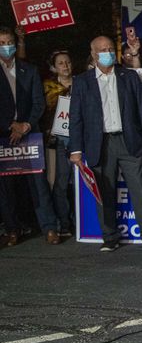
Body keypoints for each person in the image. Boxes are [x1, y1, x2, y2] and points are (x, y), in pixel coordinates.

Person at [68, 35, 142, 252]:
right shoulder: (82, 81)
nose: (107, 52)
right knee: (104, 192)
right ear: (93, 54)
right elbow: (76, 119)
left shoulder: (129, 76)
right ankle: (110, 237)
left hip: (129, 141)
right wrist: (76, 150)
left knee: (140, 189)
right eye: (102, 49)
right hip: (100, 144)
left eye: (110, 48)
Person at [0, 27, 62, 246]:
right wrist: (10, 125)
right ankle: (12, 229)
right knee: (6, 189)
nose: (6, 46)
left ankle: (50, 228)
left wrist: (25, 126)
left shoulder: (29, 70)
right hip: (4, 136)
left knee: (39, 183)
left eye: (9, 42)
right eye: (2, 42)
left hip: (29, 134)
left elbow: (39, 103)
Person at [43, 50, 75, 236]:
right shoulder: (47, 87)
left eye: (68, 62)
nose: (65, 66)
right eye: (61, 63)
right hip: (56, 141)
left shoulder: (81, 84)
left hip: (79, 140)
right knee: (59, 182)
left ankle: (81, 220)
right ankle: (64, 222)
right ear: (54, 67)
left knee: (79, 182)